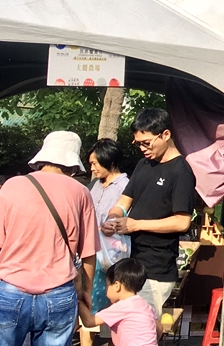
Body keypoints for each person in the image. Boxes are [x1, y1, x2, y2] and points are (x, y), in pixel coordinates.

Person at [0, 131, 97, 346]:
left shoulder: (13, 185)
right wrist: (86, 292)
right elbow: (89, 252)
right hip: (60, 293)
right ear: (73, 161)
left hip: (11, 289)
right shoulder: (81, 192)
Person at [104, 109, 196, 319]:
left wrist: (136, 225)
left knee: (141, 329)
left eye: (146, 142)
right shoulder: (143, 164)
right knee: (121, 329)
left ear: (165, 134)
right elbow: (123, 202)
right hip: (128, 260)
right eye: (138, 143)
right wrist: (112, 219)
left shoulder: (181, 172)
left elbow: (182, 222)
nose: (143, 149)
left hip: (156, 267)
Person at [85, 139, 129, 346]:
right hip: (92, 251)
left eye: (95, 163)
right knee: (90, 299)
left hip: (114, 255)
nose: (92, 168)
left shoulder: (125, 186)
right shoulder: (95, 185)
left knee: (113, 301)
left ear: (109, 161)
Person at [77, 259, 156, 346]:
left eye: (107, 285)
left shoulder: (122, 307)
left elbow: (89, 322)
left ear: (117, 286)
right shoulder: (145, 305)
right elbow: (159, 328)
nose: (106, 289)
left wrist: (78, 299)